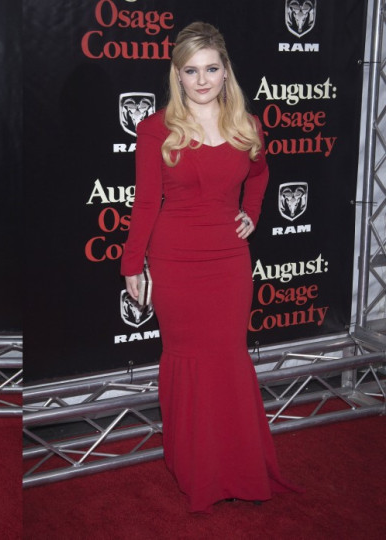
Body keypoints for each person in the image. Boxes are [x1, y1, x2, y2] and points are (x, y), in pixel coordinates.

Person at [121, 22, 298, 513]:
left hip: (229, 260)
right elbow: (144, 203)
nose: (202, 80)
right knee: (188, 359)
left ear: (225, 72)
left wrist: (254, 215)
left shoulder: (248, 125)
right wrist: (132, 263)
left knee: (227, 359)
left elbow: (260, 176)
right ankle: (197, 470)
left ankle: (238, 469)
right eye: (191, 71)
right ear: (177, 75)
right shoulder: (155, 128)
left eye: (211, 69)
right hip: (175, 259)